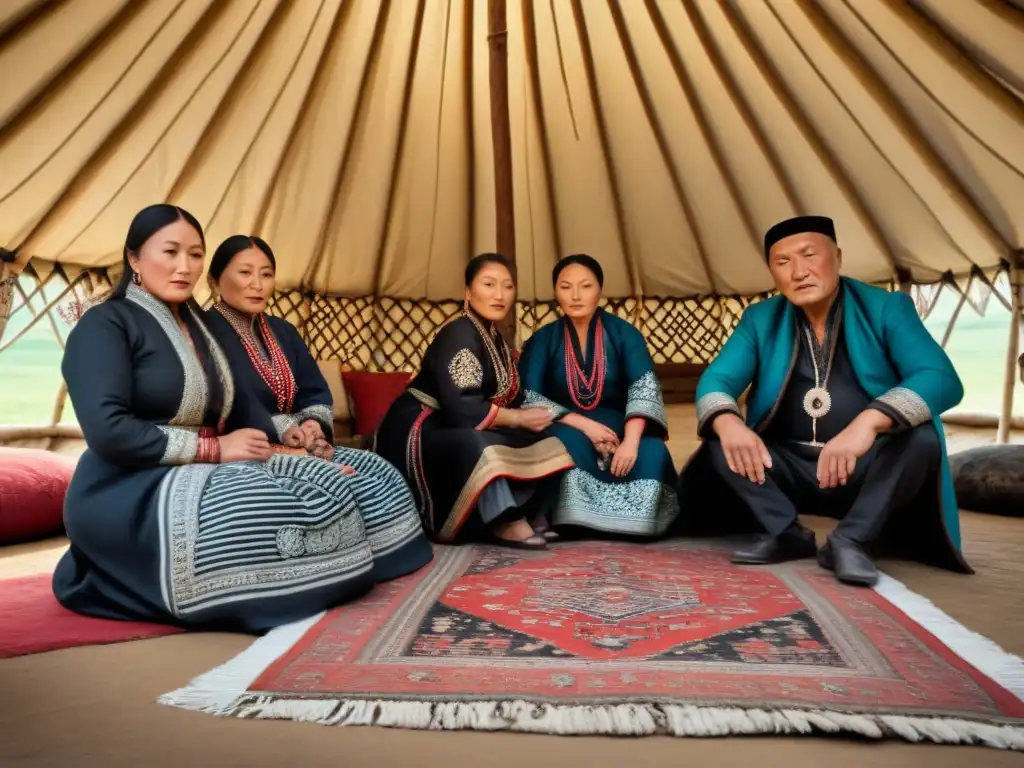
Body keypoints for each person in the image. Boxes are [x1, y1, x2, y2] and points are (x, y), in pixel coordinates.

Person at [52, 205, 383, 633]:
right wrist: (213, 448)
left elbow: (241, 405)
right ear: (134, 258)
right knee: (257, 501)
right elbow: (106, 430)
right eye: (170, 252)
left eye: (194, 255)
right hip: (129, 485)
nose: (183, 267)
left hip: (209, 465)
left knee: (335, 481)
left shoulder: (200, 328)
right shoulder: (105, 325)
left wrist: (299, 444)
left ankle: (322, 573)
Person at [678, 215, 972, 586]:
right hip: (787, 466)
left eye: (809, 255)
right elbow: (717, 381)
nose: (798, 272)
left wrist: (868, 424)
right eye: (783, 262)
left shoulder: (885, 308)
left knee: (922, 439)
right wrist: (729, 422)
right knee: (720, 442)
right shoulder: (760, 319)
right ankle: (786, 532)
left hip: (864, 467)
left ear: (837, 257)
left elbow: (941, 378)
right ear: (772, 271)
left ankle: (851, 540)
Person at [203, 235, 432, 582]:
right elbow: (228, 398)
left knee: (378, 471)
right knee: (335, 484)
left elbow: (313, 389)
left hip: (303, 442)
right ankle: (326, 573)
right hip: (246, 446)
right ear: (214, 280)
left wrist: (311, 424)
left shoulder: (283, 330)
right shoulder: (205, 333)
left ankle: (381, 560)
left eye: (266, 274)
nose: (256, 284)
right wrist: (283, 430)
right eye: (245, 272)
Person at [374, 253, 574, 549]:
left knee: (545, 438)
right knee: (479, 444)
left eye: (507, 286)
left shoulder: (498, 340)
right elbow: (463, 405)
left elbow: (513, 396)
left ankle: (527, 512)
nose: (499, 295)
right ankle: (503, 518)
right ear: (468, 292)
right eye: (489, 284)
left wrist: (545, 417)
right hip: (421, 424)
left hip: (457, 420)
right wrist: (517, 418)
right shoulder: (459, 333)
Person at [518, 255, 678, 537]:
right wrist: (585, 425)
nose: (576, 296)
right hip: (567, 427)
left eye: (586, 286)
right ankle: (569, 519)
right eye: (566, 287)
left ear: (599, 290)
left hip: (622, 427)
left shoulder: (625, 334)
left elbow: (643, 390)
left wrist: (630, 442)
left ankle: (637, 523)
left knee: (653, 452)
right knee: (561, 446)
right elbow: (530, 396)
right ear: (555, 291)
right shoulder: (543, 339)